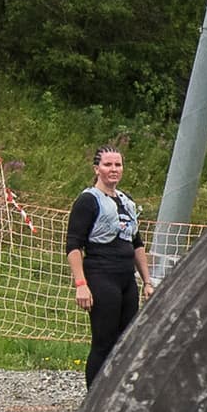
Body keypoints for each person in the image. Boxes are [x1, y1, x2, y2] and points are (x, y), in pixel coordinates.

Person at [63, 144, 148, 388]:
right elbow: (73, 245)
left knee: (126, 342)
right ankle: (94, 399)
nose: (113, 169)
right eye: (108, 164)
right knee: (104, 340)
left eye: (117, 164)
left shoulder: (126, 201)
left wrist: (147, 281)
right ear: (97, 169)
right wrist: (81, 284)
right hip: (101, 275)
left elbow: (137, 243)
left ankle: (115, 395)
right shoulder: (88, 200)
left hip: (126, 278)